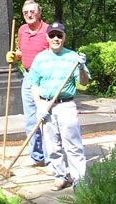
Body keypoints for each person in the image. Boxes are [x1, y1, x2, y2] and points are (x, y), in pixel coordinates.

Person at [29, 21, 89, 191]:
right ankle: (60, 176)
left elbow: (83, 83)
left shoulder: (73, 57)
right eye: (52, 35)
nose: (56, 38)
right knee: (52, 146)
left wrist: (82, 67)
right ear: (47, 37)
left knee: (73, 145)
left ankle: (80, 180)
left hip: (66, 106)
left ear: (64, 37)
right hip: (46, 105)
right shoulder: (40, 58)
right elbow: (34, 84)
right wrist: (39, 105)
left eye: (59, 35)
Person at [6, 0, 49, 166]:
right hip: (28, 77)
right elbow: (21, 51)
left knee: (45, 117)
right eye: (26, 13)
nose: (29, 15)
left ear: (39, 13)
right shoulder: (23, 30)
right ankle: (37, 156)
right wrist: (14, 56)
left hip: (45, 79)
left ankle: (51, 155)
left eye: (32, 11)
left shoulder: (47, 30)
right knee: (31, 119)